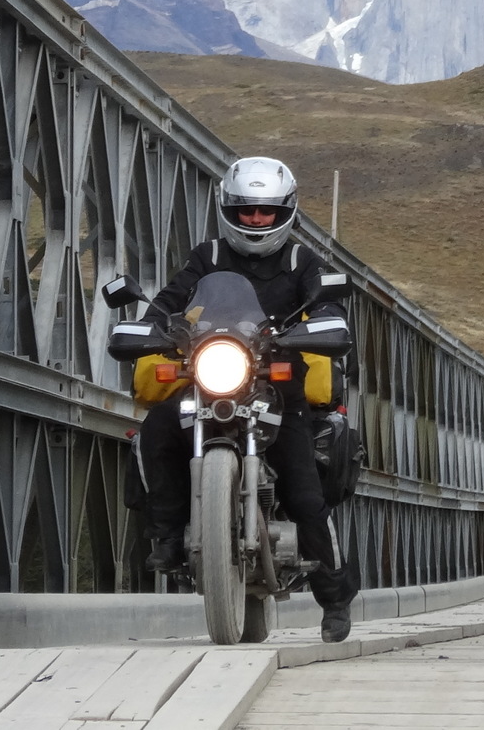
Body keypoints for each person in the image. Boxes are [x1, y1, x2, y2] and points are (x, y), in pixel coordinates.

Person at [133, 156, 358, 642]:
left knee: (304, 491)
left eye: (266, 211)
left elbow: (327, 304)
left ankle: (335, 599)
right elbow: (169, 302)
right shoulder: (207, 256)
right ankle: (167, 535)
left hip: (278, 386)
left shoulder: (300, 262)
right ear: (229, 211)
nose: (256, 220)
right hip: (210, 376)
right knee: (158, 428)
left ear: (285, 212)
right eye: (246, 211)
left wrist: (326, 322)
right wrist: (150, 325)